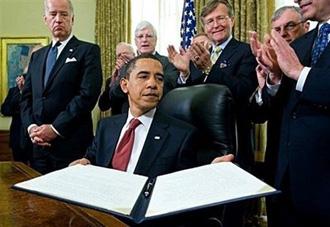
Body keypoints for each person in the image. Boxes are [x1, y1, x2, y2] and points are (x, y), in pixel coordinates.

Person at [71, 54, 233, 225]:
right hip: (99, 214)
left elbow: (188, 193)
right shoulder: (107, 126)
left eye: (159, 79)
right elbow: (93, 157)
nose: (152, 84)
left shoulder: (182, 135)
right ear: (124, 85)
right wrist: (84, 162)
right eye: (143, 76)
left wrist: (213, 174)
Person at [168, 1, 257, 226]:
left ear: (232, 20)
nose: (215, 25)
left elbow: (242, 92)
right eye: (209, 21)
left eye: (220, 19)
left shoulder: (245, 51)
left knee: (231, 212)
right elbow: (189, 100)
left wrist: (210, 68)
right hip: (201, 146)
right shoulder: (198, 55)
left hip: (233, 143)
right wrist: (186, 73)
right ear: (204, 27)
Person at [250, 0, 330, 226]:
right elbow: (278, 108)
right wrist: (274, 78)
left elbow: (302, 78)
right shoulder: (299, 46)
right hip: (285, 181)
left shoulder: (294, 57)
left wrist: (300, 73)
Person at [20, 0, 102, 174]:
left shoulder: (88, 51)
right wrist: (32, 128)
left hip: (71, 146)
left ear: (72, 19)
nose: (58, 19)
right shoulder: (37, 57)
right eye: (53, 14)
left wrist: (55, 129)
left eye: (64, 14)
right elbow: (26, 98)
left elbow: (87, 96)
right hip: (38, 149)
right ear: (45, 19)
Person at [1, 45, 43, 164]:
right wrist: (21, 93)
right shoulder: (15, 89)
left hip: (39, 139)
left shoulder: (46, 86)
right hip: (18, 139)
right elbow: (5, 110)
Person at [98, 42, 135, 115]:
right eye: (119, 55)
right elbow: (103, 106)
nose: (121, 57)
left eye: (125, 54)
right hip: (117, 120)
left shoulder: (139, 79)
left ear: (134, 55)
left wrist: (124, 71)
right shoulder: (112, 80)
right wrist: (113, 81)